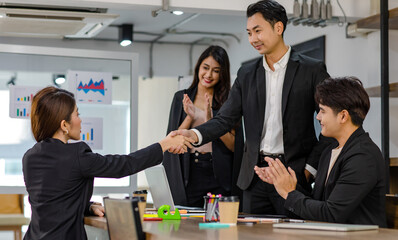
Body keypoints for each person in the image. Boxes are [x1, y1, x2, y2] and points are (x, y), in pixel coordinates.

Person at [171, 0, 330, 214]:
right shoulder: (246, 74)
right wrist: (193, 134)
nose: (252, 39)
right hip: (254, 178)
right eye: (248, 33)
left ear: (278, 28)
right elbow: (224, 119)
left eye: (257, 31)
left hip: (291, 176)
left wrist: (309, 169)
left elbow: (333, 120)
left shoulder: (312, 70)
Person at [23, 86, 193, 240]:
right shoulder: (76, 154)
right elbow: (123, 165)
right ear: (64, 124)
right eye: (77, 114)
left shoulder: (30, 157)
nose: (81, 120)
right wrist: (163, 145)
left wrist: (88, 207)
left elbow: (52, 201)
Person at [255, 77, 387, 226]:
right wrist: (284, 183)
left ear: (343, 116)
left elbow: (330, 214)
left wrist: (290, 193)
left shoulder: (363, 156)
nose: (318, 117)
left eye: (323, 111)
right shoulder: (329, 152)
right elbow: (318, 205)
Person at [163, 45, 244, 207]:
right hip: (190, 172)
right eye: (205, 68)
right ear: (198, 67)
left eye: (216, 70)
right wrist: (190, 117)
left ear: (222, 73)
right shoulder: (181, 97)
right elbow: (172, 141)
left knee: (220, 227)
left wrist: (211, 122)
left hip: (219, 173)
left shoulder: (229, 102)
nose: (208, 75)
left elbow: (235, 146)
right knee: (189, 225)